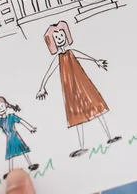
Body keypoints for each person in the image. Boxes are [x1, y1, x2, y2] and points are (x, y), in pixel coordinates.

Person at [36, 20, 121, 158]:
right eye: (57, 38)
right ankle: (82, 146)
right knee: (76, 115)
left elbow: (83, 55)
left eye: (61, 35)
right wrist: (42, 87)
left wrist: (96, 61)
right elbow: (50, 71)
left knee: (96, 106)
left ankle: (110, 136)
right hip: (70, 88)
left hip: (82, 83)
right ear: (52, 42)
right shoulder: (59, 58)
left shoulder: (71, 52)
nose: (60, 38)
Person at [0, 96, 39, 178]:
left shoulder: (11, 116)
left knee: (24, 150)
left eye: (2, 106)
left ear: (6, 105)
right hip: (9, 139)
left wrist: (30, 128)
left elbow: (21, 121)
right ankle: (10, 171)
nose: (0, 109)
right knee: (10, 154)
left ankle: (30, 165)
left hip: (15, 136)